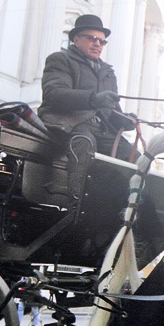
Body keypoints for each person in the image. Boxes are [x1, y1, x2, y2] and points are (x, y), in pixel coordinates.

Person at [37, 14, 136, 199]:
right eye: (92, 38)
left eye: (102, 41)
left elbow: (112, 110)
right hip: (67, 122)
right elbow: (53, 94)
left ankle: (124, 208)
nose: (98, 44)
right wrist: (93, 99)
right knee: (84, 142)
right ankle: (77, 203)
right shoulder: (60, 59)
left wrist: (127, 120)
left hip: (101, 129)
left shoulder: (108, 72)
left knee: (133, 156)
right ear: (76, 39)